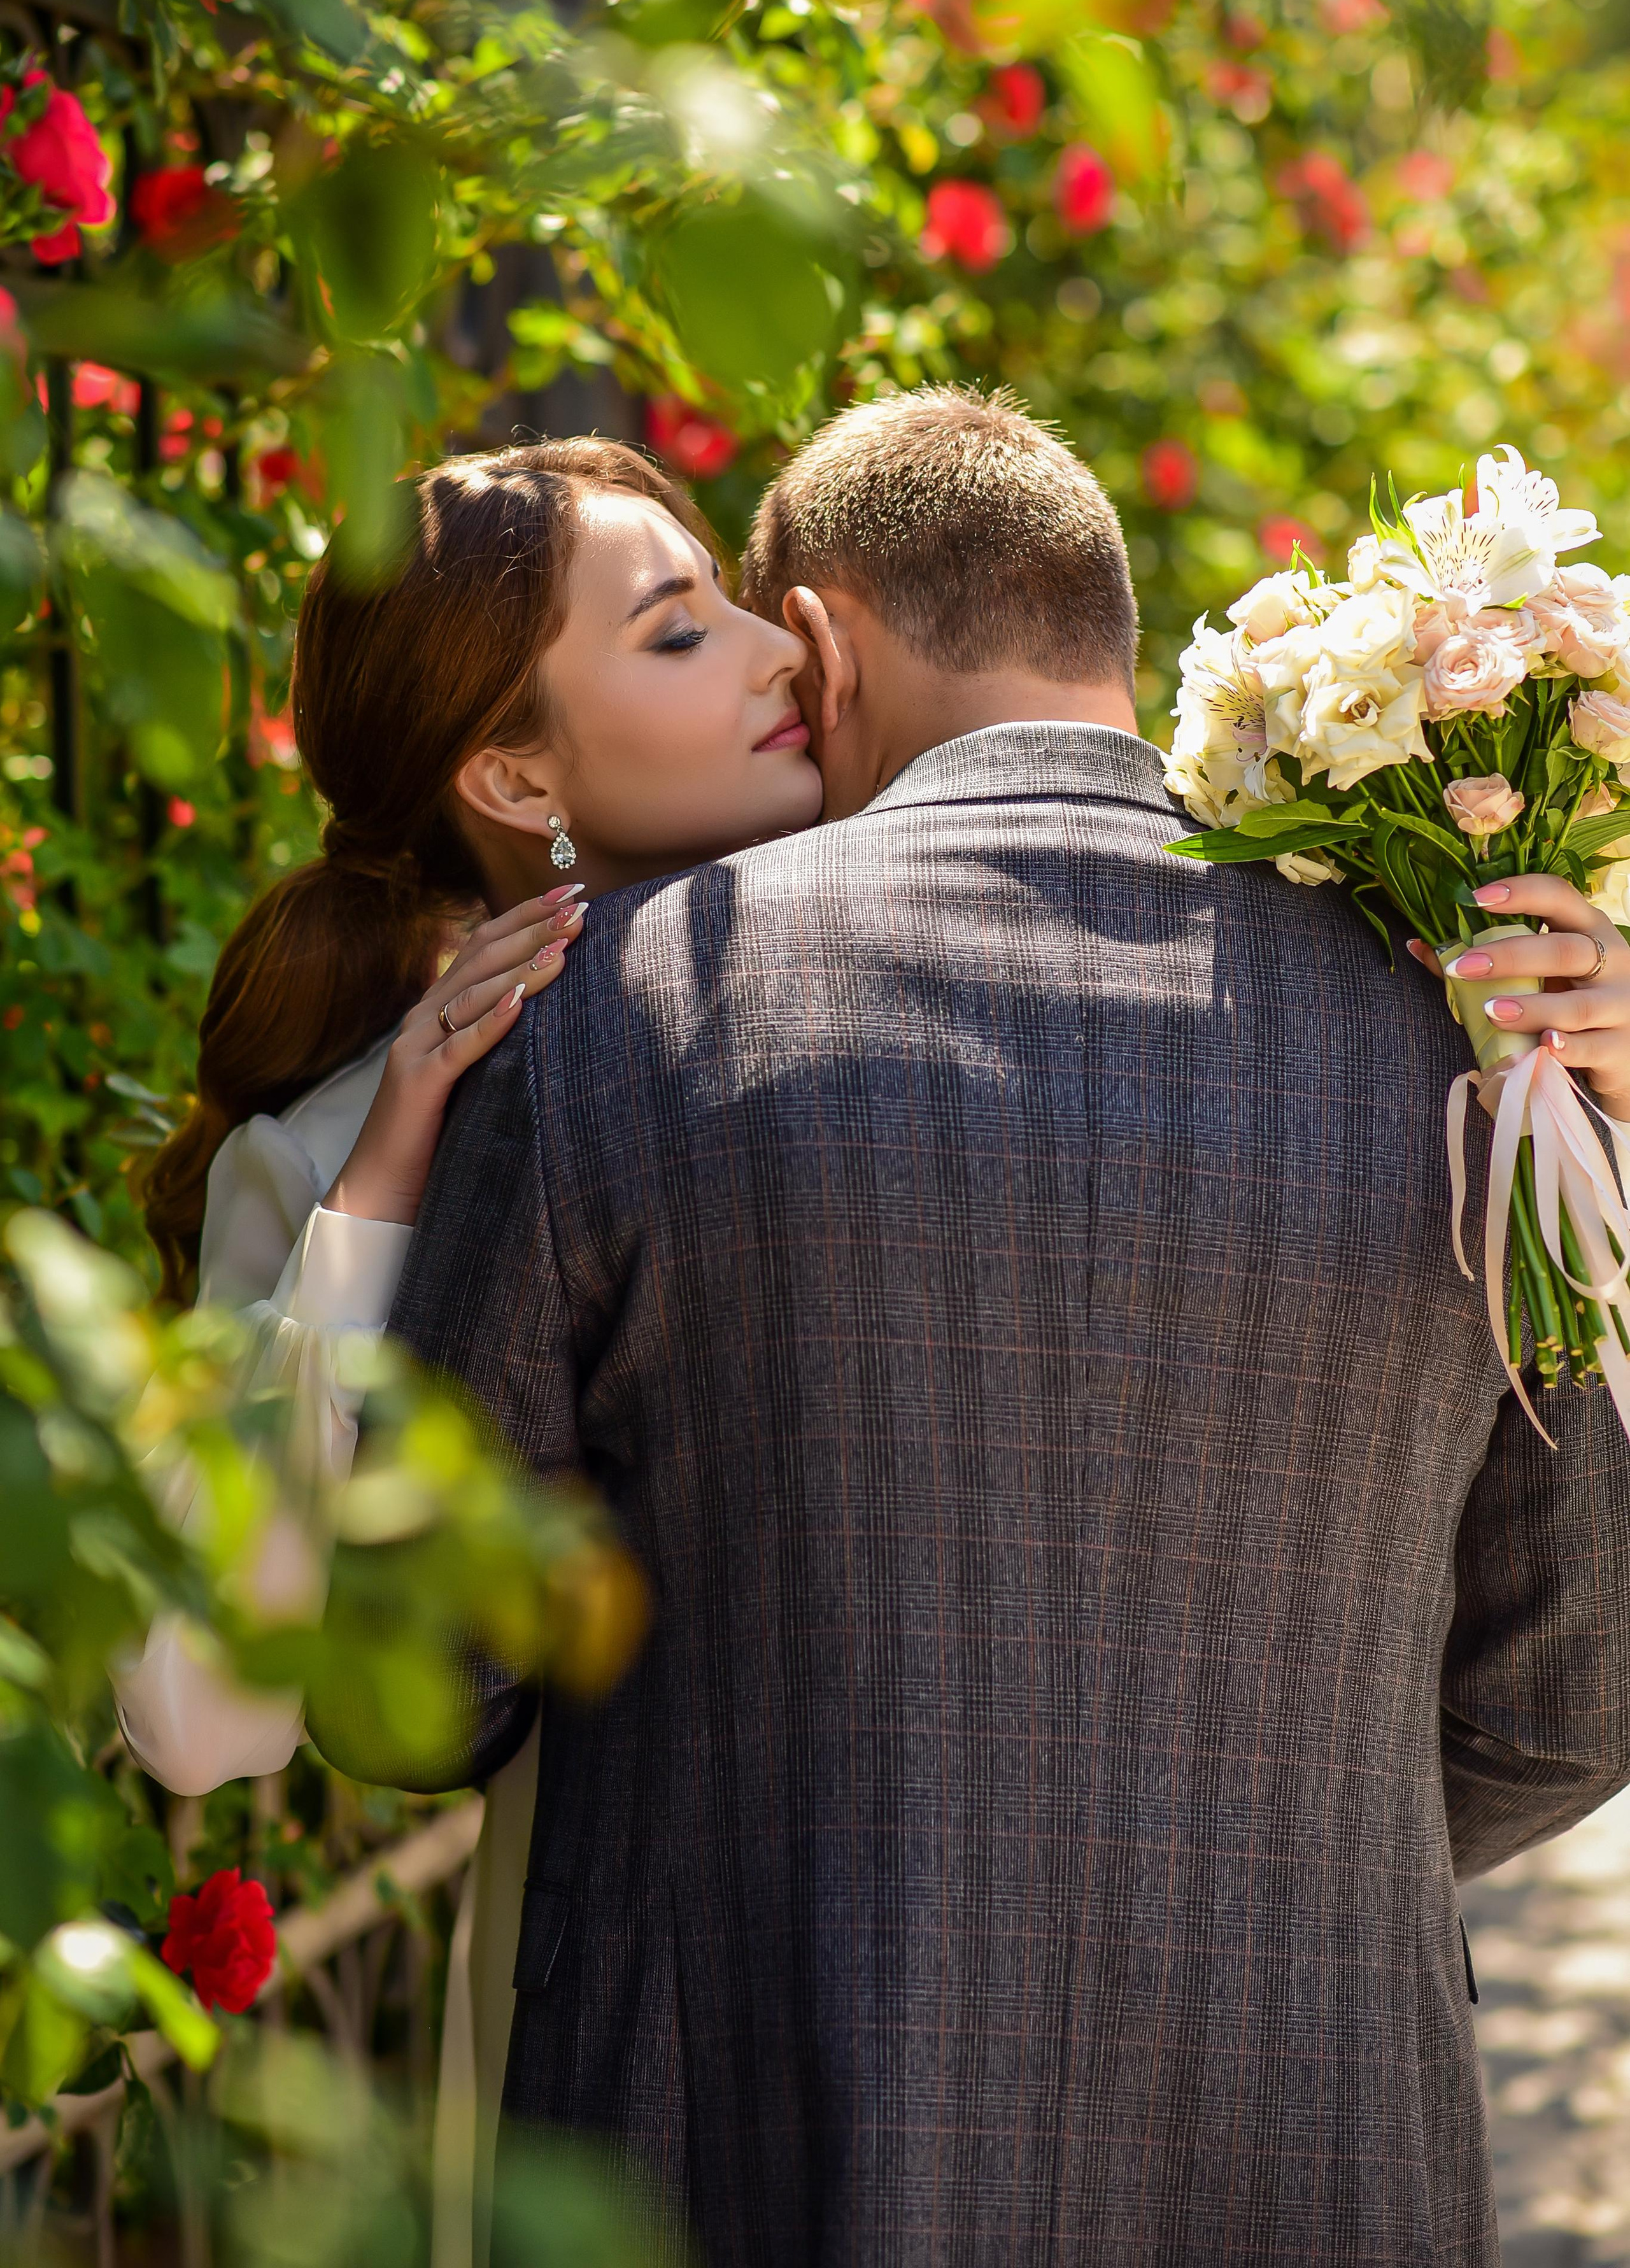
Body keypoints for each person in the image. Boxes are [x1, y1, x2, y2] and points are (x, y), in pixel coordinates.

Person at [371, 386, 1630, 2265]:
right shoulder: (1449, 1043)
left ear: (822, 645)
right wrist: (1263, 1854)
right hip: (1309, 2150)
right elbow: (1573, 1686)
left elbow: (415, 1683)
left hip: (754, 2168)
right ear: (1116, 641)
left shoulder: (605, 1025)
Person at [118, 436, 823, 2268]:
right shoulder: (346, 1148)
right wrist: (388, 1188)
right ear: (514, 772)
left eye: (737, 598)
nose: (779, 653)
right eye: (683, 634)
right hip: (619, 2033)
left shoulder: (934, 974)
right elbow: (199, 1717)